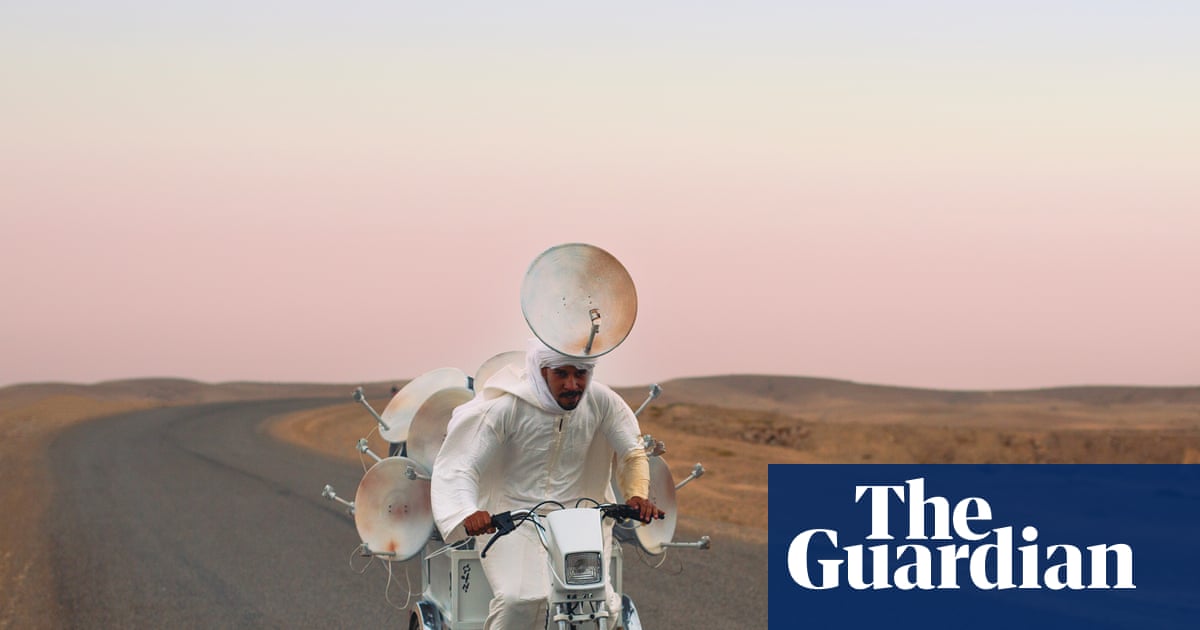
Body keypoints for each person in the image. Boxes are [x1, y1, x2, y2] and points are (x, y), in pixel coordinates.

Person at [431, 338, 663, 630]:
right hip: (512, 520)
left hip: (580, 521)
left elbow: (632, 452)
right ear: (542, 371)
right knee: (519, 600)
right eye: (561, 374)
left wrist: (637, 494)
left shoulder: (602, 401)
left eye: (580, 374)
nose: (572, 385)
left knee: (597, 601)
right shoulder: (509, 406)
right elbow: (462, 462)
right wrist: (467, 511)